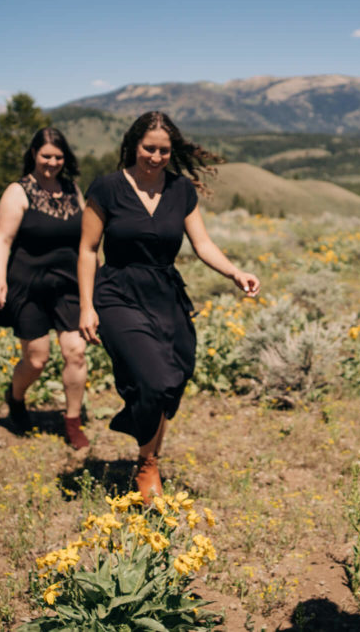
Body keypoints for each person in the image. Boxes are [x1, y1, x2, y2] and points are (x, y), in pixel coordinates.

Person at [78, 111, 260, 501]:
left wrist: (234, 273)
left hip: (165, 294)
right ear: (133, 145)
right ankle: (147, 465)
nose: (156, 157)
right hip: (118, 293)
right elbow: (88, 249)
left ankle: (149, 450)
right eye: (149, 148)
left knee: (172, 379)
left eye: (163, 150)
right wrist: (85, 306)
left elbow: (203, 244)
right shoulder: (107, 188)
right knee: (154, 379)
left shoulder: (181, 190)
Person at [0, 127, 91, 451]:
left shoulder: (73, 190)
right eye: (46, 155)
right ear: (34, 154)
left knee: (75, 352)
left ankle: (72, 422)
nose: (52, 162)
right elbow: (2, 239)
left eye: (58, 156)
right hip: (28, 285)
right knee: (36, 360)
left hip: (69, 286)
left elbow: (87, 240)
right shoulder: (18, 192)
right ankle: (16, 399)